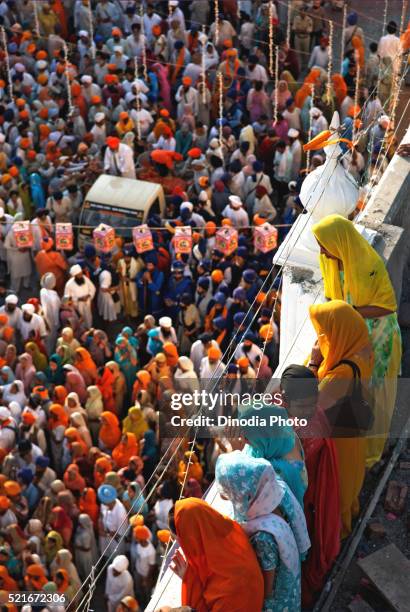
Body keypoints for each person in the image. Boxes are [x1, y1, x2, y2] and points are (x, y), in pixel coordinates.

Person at [312, 215, 401, 467]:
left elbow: (387, 306)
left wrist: (350, 313)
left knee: (374, 387)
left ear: (338, 242)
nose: (321, 251)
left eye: (324, 244)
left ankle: (372, 448)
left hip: (378, 334)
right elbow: (332, 297)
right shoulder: (329, 261)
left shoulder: (367, 265)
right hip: (352, 330)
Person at [308, 300, 374, 538]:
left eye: (325, 331)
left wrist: (314, 363)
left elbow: (310, 404)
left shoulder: (340, 374)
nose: (321, 337)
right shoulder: (360, 346)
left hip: (339, 442)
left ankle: (336, 534)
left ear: (339, 332)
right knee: (352, 474)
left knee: (337, 486)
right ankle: (350, 513)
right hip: (353, 431)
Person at [280, 364, 341, 606]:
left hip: (310, 497)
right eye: (302, 406)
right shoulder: (308, 416)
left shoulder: (305, 432)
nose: (308, 410)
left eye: (310, 403)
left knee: (308, 545)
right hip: (312, 493)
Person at [216, 452, 304, 612]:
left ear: (244, 493)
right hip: (290, 581)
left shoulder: (262, 535)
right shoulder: (273, 491)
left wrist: (264, 601)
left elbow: (268, 582)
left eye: (230, 492)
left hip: (278, 597)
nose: (228, 497)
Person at [169, 498, 264, 611]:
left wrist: (189, 580)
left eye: (180, 539)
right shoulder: (232, 535)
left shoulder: (231, 589)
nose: (181, 546)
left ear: (191, 537)